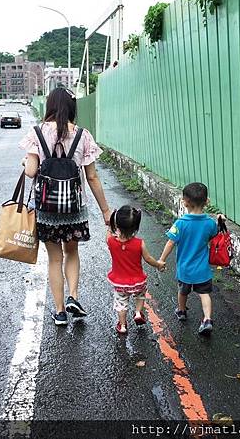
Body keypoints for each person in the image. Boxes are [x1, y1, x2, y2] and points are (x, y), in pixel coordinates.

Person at [20, 88, 112, 326]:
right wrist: (105, 210)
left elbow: (30, 171)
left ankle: (60, 312)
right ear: (72, 108)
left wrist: (26, 161)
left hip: (46, 209)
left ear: (49, 106)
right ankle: (74, 296)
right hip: (74, 207)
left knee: (54, 259)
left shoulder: (37, 133)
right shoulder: (83, 135)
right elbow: (92, 178)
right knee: (72, 252)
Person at [158, 183, 224, 335]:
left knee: (182, 292)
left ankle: (181, 311)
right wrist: (220, 221)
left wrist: (161, 259)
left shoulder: (181, 223)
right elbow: (215, 237)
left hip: (185, 269)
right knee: (204, 294)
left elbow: (170, 242)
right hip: (202, 270)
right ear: (207, 201)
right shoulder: (209, 223)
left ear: (185, 202)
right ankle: (207, 319)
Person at [107, 206, 164, 334]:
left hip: (120, 283)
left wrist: (111, 225)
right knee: (140, 295)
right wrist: (158, 264)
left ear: (116, 224)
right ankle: (138, 313)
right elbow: (148, 259)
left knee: (121, 304)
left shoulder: (110, 241)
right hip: (137, 281)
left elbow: (109, 233)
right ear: (135, 227)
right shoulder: (139, 243)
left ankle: (122, 326)